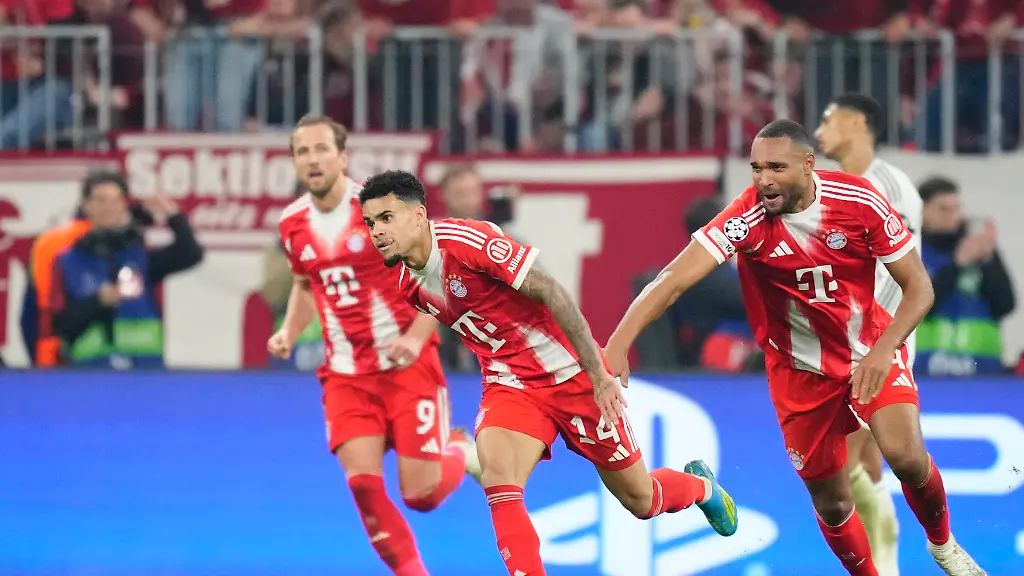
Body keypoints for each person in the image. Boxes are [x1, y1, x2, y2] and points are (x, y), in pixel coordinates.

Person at [606, 119, 985, 576]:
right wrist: (619, 342)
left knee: (904, 455)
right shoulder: (745, 219)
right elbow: (673, 279)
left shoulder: (858, 202)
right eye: (756, 168)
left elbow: (919, 287)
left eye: (776, 167)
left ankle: (943, 545)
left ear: (808, 165)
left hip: (870, 350)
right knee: (832, 500)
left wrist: (886, 349)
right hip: (799, 374)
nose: (763, 179)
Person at [359, 169, 738, 576]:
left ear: (419, 216)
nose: (377, 231)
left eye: (386, 218)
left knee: (641, 500)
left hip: (573, 375)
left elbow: (552, 291)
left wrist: (597, 374)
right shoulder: (404, 280)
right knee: (501, 485)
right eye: (369, 223)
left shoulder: (467, 243)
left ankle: (702, 488)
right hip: (511, 384)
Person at [269, 116, 478, 576]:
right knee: (363, 483)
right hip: (346, 374)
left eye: (322, 148)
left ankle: (461, 451)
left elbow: (437, 279)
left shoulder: (380, 209)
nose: (313, 159)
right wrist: (288, 330)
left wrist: (415, 336)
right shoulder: (291, 224)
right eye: (302, 151)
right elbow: (306, 286)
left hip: (407, 368)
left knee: (419, 496)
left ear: (342, 157)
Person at [815, 92, 925, 575]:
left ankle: (885, 562)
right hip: (843, 338)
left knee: (849, 461)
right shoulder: (833, 185)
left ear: (859, 122)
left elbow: (897, 273)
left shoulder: (887, 186)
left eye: (828, 119)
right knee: (860, 465)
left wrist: (865, 341)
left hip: (874, 341)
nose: (819, 130)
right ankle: (885, 563)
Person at [52, 170, 204, 368]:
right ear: (86, 206)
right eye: (101, 200)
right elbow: (59, 325)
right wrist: (99, 301)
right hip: (90, 375)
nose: (109, 208)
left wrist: (173, 214)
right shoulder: (68, 261)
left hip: (144, 373)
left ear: (125, 205)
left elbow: (190, 254)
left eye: (116, 200)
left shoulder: (141, 256)